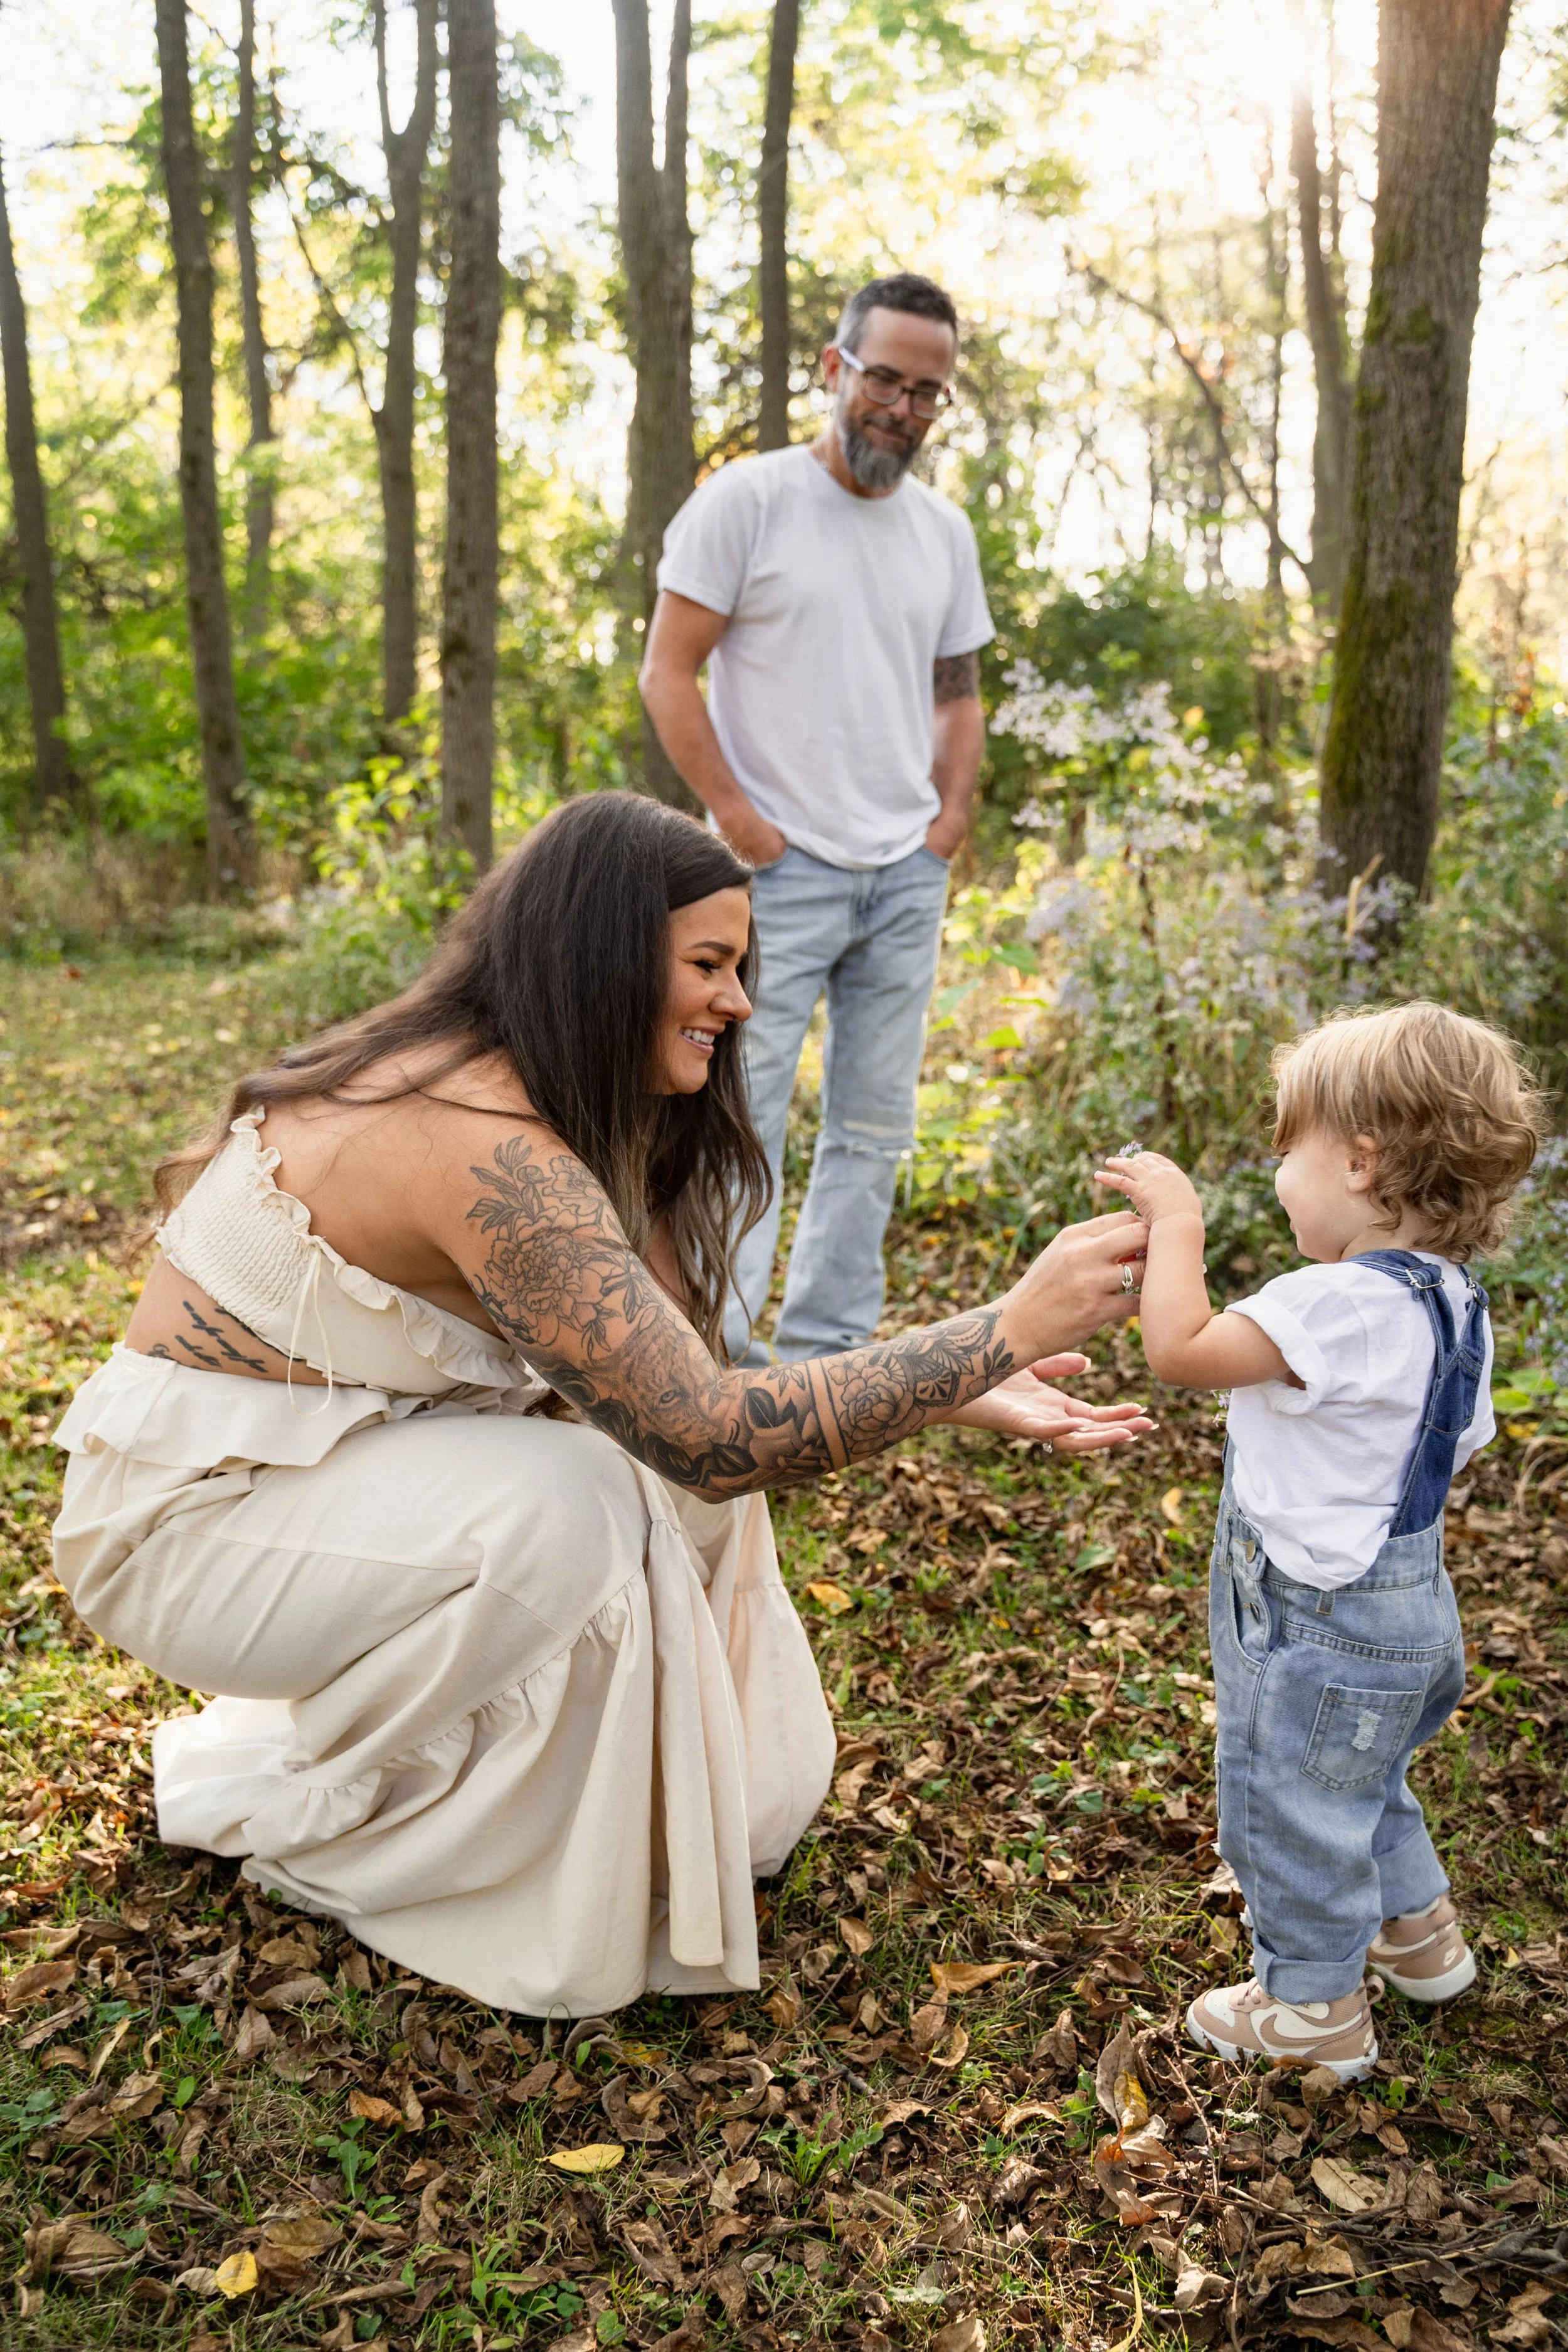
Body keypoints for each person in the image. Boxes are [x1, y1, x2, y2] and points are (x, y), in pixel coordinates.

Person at [52, 793, 1152, 2020]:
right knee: (573, 1497)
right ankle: (385, 1832)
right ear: (604, 960)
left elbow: (687, 1393)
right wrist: (1001, 1327)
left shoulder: (556, 1107)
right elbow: (710, 1434)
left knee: (634, 1481)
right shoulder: (474, 1142)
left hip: (329, 1486)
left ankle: (631, 1823)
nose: (737, 1003)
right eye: (708, 965)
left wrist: (960, 1390)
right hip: (183, 1533)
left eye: (742, 967)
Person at [1095, 1002, 1540, 2084]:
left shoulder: (1336, 1304)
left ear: (1362, 1160)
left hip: (1315, 1616)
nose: (1277, 1167)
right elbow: (1454, 1439)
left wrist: (1179, 1223)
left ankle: (1312, 2002)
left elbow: (1183, 1347)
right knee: (1367, 1775)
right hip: (1410, 1609)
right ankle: (1418, 1937)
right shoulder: (1456, 1304)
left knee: (1288, 1802)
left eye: (1287, 1145)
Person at [640, 271, 990, 1367]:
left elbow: (959, 693)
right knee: (740, 1118)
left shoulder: (943, 532)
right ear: (835, 370)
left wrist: (947, 823)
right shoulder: (747, 502)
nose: (904, 406)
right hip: (772, 874)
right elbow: (667, 672)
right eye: (885, 377)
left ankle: (831, 1357)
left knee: (875, 1129)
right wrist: (741, 825)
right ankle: (718, 1357)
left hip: (904, 874)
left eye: (928, 390)